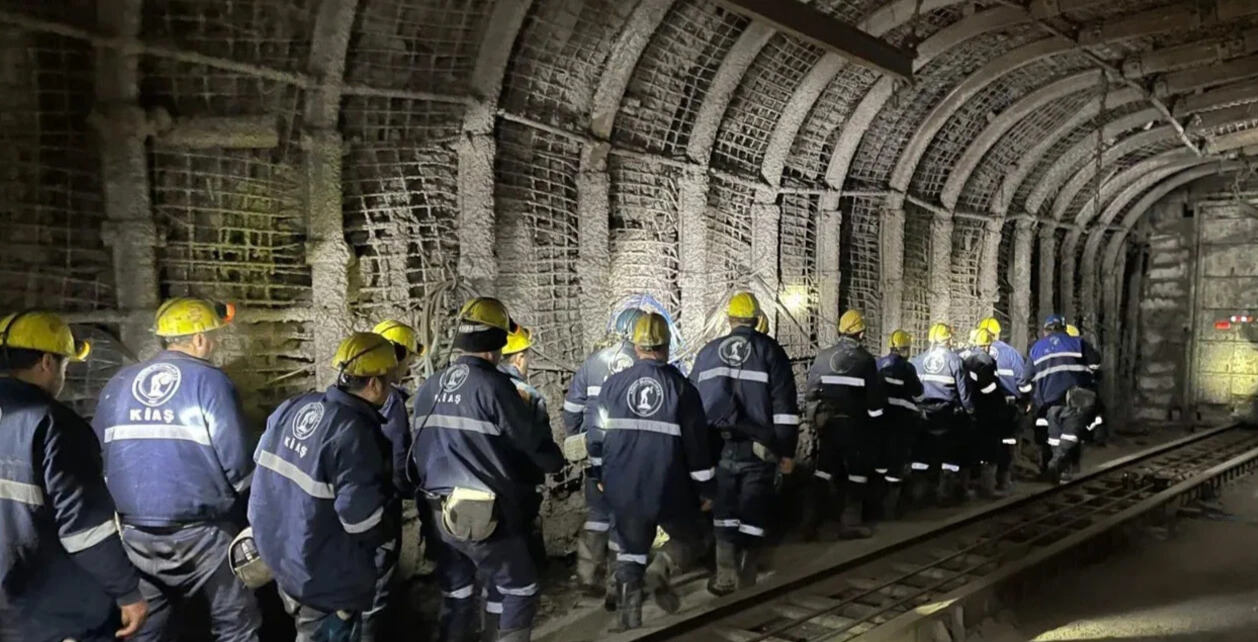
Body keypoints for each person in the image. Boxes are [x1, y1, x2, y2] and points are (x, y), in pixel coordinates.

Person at [91, 298, 259, 642]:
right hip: (205, 536)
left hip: (135, 536)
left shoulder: (119, 383)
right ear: (198, 339)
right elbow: (239, 466)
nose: (214, 342)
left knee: (145, 627)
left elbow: (96, 456)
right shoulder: (211, 382)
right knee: (235, 625)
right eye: (212, 335)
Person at [412, 298, 563, 642]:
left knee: (466, 590)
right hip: (481, 518)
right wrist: (555, 460)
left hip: (438, 513)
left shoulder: (430, 387)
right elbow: (531, 444)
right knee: (521, 588)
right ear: (497, 343)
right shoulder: (496, 387)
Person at [0, 312, 148, 642]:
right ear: (47, 363)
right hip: (51, 612)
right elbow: (86, 529)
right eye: (65, 365)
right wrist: (127, 592)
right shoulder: (56, 426)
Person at [250, 332, 396, 642]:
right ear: (375, 384)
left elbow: (262, 471)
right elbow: (362, 520)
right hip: (323, 575)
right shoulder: (355, 432)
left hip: (282, 556)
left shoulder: (295, 405)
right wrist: (386, 537)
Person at [589, 313, 715, 630]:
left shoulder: (613, 385)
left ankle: (628, 621)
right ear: (667, 345)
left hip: (623, 486)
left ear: (636, 345)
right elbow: (697, 448)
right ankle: (661, 566)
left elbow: (596, 436)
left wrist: (598, 475)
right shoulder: (683, 390)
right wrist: (706, 490)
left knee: (629, 553)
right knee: (693, 537)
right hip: (669, 487)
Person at [691, 293, 798, 595]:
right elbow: (785, 409)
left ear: (729, 319)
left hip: (717, 447)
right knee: (754, 506)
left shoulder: (707, 353)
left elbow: (692, 405)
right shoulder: (771, 351)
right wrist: (787, 451)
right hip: (758, 448)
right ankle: (748, 572)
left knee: (723, 508)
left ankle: (725, 577)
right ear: (757, 318)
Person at [561, 308, 644, 599]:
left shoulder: (593, 362)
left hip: (595, 452)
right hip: (631, 456)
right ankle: (616, 585)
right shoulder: (643, 363)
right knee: (626, 520)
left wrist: (577, 436)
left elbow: (571, 409)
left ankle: (586, 575)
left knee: (597, 514)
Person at [803, 310, 887, 540]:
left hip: (828, 424)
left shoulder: (823, 356)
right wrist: (877, 424)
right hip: (855, 426)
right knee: (857, 473)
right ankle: (850, 523)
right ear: (861, 332)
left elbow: (810, 391)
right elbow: (874, 401)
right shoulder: (866, 360)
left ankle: (810, 522)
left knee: (823, 471)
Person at [366, 319, 424, 642]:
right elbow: (400, 463)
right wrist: (414, 493)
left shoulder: (352, 392)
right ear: (395, 357)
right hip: (380, 510)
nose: (409, 367)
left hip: (353, 507)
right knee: (376, 593)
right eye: (408, 360)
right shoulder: (393, 403)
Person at [1020, 316, 1101, 483]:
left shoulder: (1036, 349)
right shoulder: (1077, 343)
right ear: (1064, 328)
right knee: (1070, 436)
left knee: (1055, 439)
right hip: (1074, 399)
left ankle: (1057, 471)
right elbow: (1095, 363)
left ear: (1046, 330)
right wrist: (1084, 374)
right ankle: (1056, 468)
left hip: (1049, 402)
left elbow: (1025, 380)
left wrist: (1030, 397)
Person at [498, 325, 550, 570]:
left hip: (488, 482)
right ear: (519, 359)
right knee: (526, 529)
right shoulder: (528, 394)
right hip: (521, 482)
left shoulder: (483, 389)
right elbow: (540, 443)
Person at [909, 324, 975, 507]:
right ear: (947, 340)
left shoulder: (917, 360)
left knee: (921, 457)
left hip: (923, 415)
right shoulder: (955, 360)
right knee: (949, 457)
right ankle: (944, 495)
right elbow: (964, 392)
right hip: (947, 416)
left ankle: (917, 496)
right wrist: (970, 411)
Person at [960, 328, 1014, 498]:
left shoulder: (963, 356)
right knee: (990, 449)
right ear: (987, 345)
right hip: (986, 411)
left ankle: (965, 487)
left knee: (968, 450)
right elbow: (989, 388)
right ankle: (987, 488)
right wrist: (1002, 400)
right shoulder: (985, 360)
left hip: (968, 409)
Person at [875, 330, 923, 519]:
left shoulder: (879, 364)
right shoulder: (908, 368)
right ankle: (890, 509)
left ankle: (874, 504)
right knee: (896, 464)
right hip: (902, 422)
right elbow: (919, 395)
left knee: (881, 462)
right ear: (904, 349)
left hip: (881, 419)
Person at [977, 317, 1026, 492]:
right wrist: (1025, 400)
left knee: (986, 442)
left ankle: (984, 481)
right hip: (1007, 407)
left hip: (982, 407)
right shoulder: (1011, 353)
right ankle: (1003, 480)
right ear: (998, 333)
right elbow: (1023, 382)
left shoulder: (975, 352)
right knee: (1007, 442)